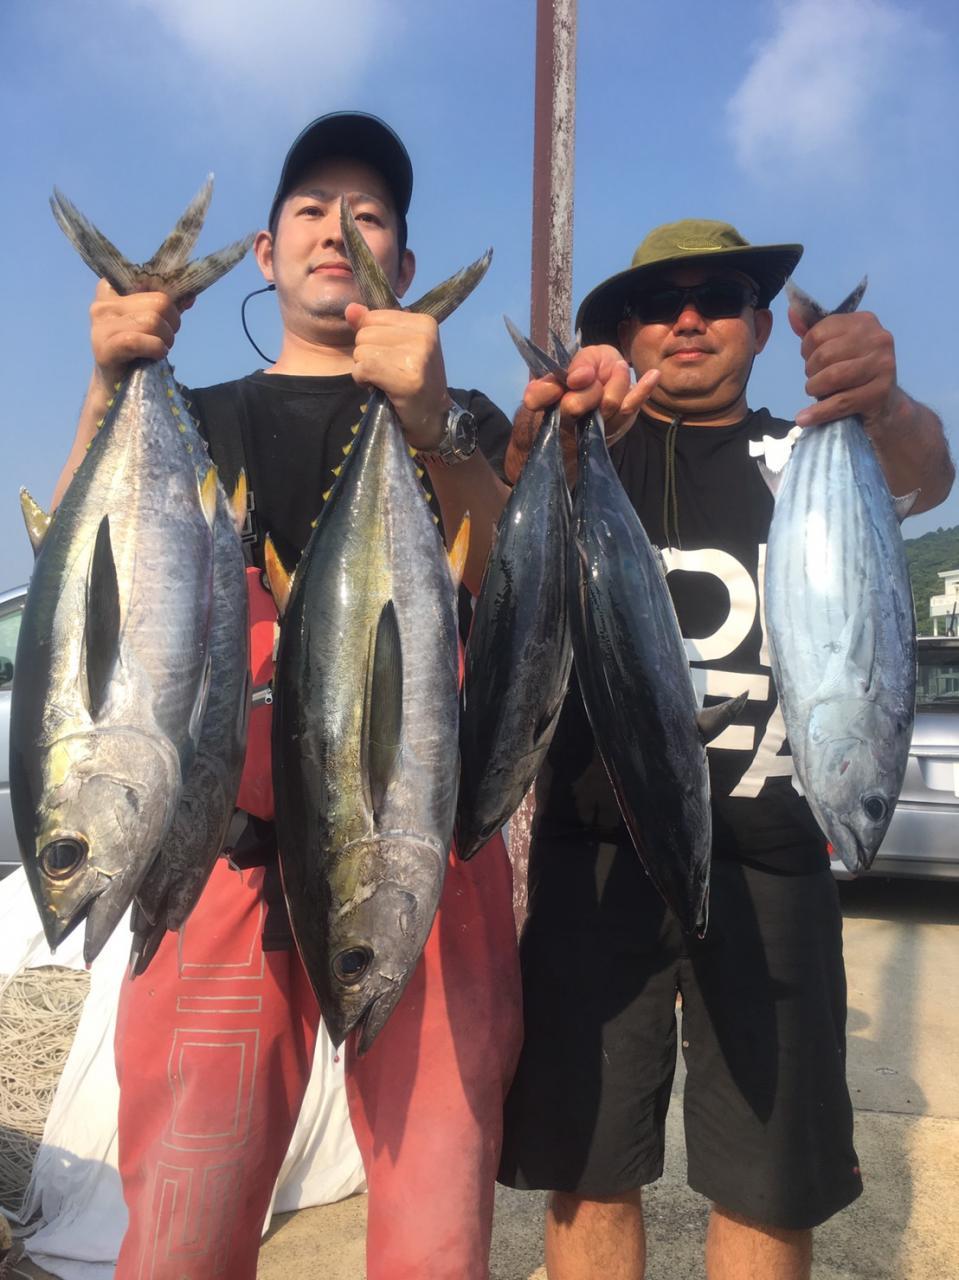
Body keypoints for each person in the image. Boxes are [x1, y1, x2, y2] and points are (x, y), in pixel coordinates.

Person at [53, 111, 523, 1280]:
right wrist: (109, 384)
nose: (339, 230)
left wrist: (432, 421)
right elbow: (82, 581)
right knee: (186, 1214)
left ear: (405, 262)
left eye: (370, 214)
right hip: (224, 849)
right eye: (312, 209)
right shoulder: (197, 420)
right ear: (264, 253)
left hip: (418, 847)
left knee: (439, 1220)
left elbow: (521, 589)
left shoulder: (460, 420)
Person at [497, 218, 953, 1280]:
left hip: (771, 863)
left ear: (761, 324)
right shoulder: (582, 455)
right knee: (587, 1166)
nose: (688, 320)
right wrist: (542, 445)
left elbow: (926, 476)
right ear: (623, 331)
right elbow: (501, 551)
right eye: (660, 304)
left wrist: (883, 402)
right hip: (597, 861)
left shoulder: (808, 452)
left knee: (766, 1179)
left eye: (719, 299)